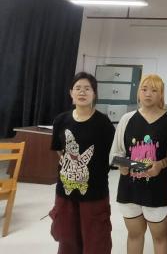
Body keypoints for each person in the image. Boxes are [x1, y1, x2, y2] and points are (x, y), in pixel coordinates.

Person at [111, 74, 167, 254]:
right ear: (138, 93)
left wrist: (161, 164)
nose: (148, 94)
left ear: (161, 94)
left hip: (158, 190)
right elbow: (116, 154)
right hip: (129, 190)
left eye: (154, 90)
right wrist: (124, 166)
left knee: (160, 237)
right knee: (134, 235)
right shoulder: (127, 119)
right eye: (144, 89)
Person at [49, 72, 115, 254]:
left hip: (94, 191)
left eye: (87, 88)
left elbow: (113, 153)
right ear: (71, 93)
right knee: (67, 239)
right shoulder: (61, 120)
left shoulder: (103, 123)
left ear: (94, 94)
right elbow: (58, 149)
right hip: (66, 190)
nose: (82, 92)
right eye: (77, 88)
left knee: (96, 241)